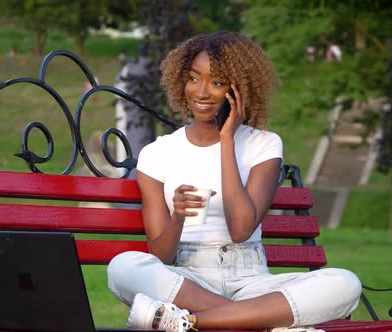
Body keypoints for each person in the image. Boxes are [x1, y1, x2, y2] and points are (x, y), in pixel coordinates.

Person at [107, 32, 362, 332]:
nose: (201, 92)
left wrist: (226, 140)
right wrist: (177, 217)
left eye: (216, 82)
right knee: (122, 267)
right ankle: (261, 323)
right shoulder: (157, 154)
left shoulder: (263, 145)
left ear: (237, 89)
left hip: (252, 281)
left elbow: (241, 230)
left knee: (345, 283)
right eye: (193, 78)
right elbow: (160, 256)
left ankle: (186, 322)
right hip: (190, 281)